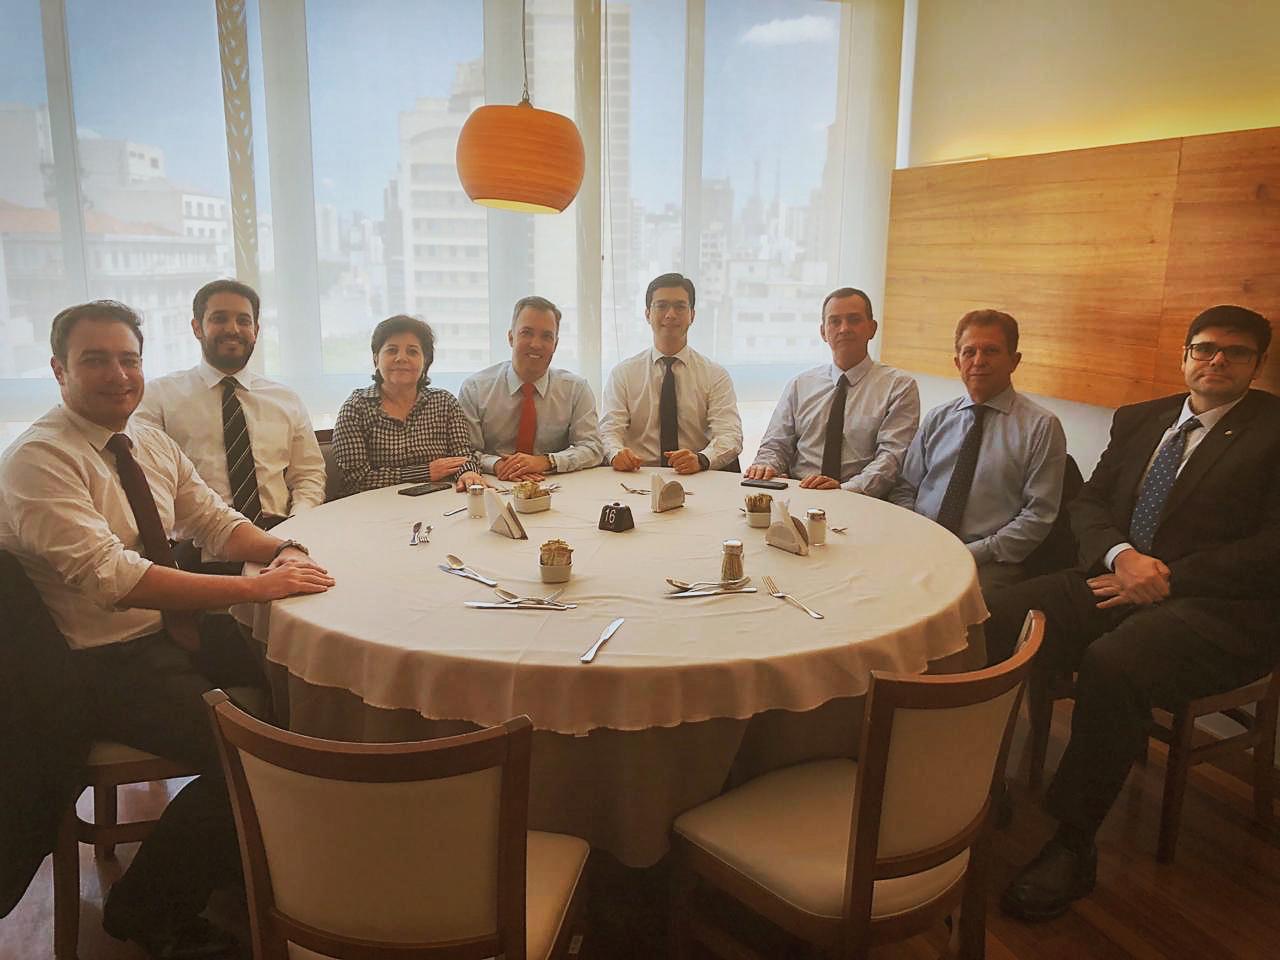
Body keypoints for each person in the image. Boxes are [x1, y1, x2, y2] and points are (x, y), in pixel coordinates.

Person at [0, 300, 335, 959]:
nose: (118, 375)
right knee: (260, 756)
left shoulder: (145, 440)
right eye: (95, 360)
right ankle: (146, 910)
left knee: (302, 687)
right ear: (59, 370)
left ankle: (251, 853)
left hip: (167, 632)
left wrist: (280, 550)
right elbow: (115, 579)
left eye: (129, 359)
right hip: (98, 663)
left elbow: (213, 521)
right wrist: (254, 588)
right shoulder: (38, 460)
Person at [987, 305, 1280, 923]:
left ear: (1258, 365)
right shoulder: (1141, 418)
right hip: (1116, 575)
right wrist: (1122, 557)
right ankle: (981, 783)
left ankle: (1073, 843)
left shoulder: (1273, 431)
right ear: (1184, 356)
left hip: (1219, 606)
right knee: (990, 613)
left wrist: (1165, 577)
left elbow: (1271, 548)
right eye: (1205, 348)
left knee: (1114, 664)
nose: (1217, 360)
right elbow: (1088, 503)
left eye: (1236, 352)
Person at [136, 279, 326, 567]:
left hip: (281, 534)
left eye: (243, 320)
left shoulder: (285, 399)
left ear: (256, 331)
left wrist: (298, 524)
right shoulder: (158, 397)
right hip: (199, 546)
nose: (233, 329)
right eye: (219, 318)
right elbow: (148, 486)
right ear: (197, 327)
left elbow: (308, 474)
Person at [889, 309, 1067, 594]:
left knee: (939, 605)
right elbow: (904, 488)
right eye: (969, 352)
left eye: (991, 351)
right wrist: (916, 538)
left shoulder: (1042, 427)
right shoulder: (937, 418)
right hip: (919, 545)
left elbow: (1038, 516)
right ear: (957, 362)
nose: (979, 361)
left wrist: (969, 553)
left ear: (1014, 361)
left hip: (986, 562)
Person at [748, 287, 919, 494]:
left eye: (854, 320)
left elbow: (891, 458)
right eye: (835, 321)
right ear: (823, 332)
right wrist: (766, 466)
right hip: (800, 492)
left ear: (872, 328)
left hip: (860, 499)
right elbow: (775, 445)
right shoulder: (801, 385)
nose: (844, 328)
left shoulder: (899, 387)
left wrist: (843, 490)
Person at [600, 273, 743, 474]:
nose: (670, 314)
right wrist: (616, 454)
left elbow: (730, 434)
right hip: (638, 475)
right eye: (661, 306)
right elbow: (609, 430)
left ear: (692, 315)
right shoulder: (623, 374)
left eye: (680, 307)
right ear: (647, 314)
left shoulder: (715, 375)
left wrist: (702, 459)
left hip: (696, 475)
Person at [332, 315, 482, 494]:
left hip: (439, 501)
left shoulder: (445, 402)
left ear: (425, 361)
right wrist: (425, 472)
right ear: (376, 359)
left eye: (412, 352)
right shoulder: (356, 408)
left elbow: (463, 456)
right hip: (377, 505)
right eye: (391, 350)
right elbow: (354, 481)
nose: (401, 358)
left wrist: (468, 472)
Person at [458, 295, 602, 480]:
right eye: (526, 333)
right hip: (493, 482)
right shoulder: (475, 389)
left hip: (554, 483)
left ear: (555, 344)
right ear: (511, 337)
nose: (536, 344)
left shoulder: (576, 390)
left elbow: (592, 448)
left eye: (546, 336)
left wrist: (546, 461)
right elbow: (465, 451)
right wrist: (497, 465)